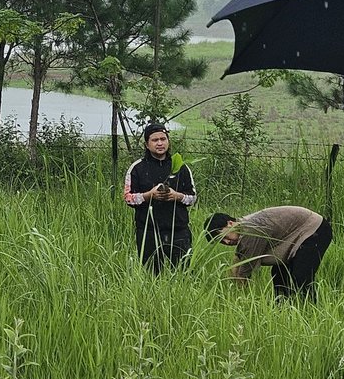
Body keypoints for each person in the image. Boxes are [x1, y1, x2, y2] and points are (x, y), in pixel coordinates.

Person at [204, 207, 332, 301]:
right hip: (296, 236)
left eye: (224, 236)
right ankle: (284, 311)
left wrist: (239, 300)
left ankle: (311, 310)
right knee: (279, 275)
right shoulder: (244, 229)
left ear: (230, 223)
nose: (227, 242)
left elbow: (244, 271)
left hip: (315, 230)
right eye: (222, 242)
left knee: (301, 277)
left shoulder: (250, 231)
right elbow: (237, 259)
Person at [124, 123, 197, 273]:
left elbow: (193, 197)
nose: (159, 143)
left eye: (163, 139)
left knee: (182, 274)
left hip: (178, 230)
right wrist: (148, 195)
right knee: (151, 275)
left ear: (168, 141)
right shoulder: (137, 168)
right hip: (148, 231)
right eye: (155, 140)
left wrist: (177, 196)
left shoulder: (181, 167)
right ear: (147, 144)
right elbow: (128, 198)